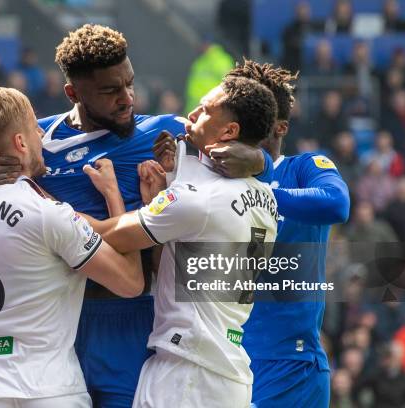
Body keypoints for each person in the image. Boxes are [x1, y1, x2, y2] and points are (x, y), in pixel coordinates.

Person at [0, 24, 274, 408]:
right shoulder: (37, 142)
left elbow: (241, 172)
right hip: (59, 327)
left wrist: (259, 159)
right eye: (110, 90)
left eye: (129, 84)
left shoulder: (162, 132)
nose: (127, 98)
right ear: (74, 93)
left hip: (133, 322)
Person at [156, 59, 350, 407]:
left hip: (289, 363)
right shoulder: (206, 179)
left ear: (279, 128)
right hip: (214, 358)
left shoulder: (302, 167)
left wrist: (263, 177)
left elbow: (336, 203)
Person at [0, 87, 144, 408]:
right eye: (35, 129)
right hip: (49, 391)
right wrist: (115, 197)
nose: (41, 136)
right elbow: (130, 282)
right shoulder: (48, 214)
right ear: (20, 142)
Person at [84, 76, 279, 407]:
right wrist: (159, 200)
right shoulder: (266, 199)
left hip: (188, 375)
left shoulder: (196, 200)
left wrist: (41, 205)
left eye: (205, 111)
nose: (191, 113)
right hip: (225, 368)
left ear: (229, 132)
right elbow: (170, 268)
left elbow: (110, 236)